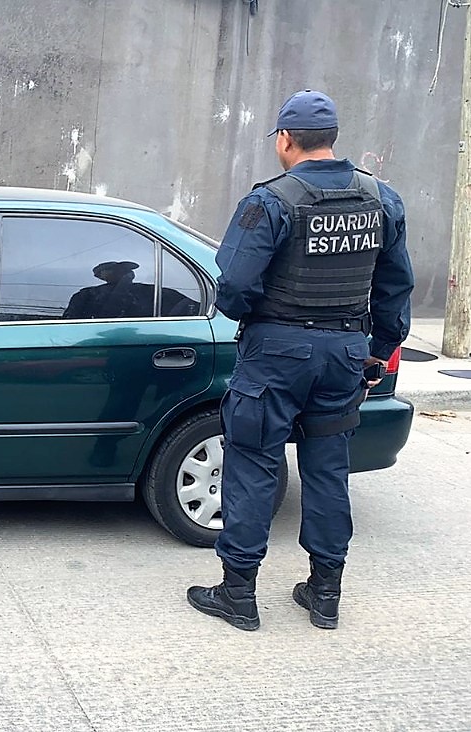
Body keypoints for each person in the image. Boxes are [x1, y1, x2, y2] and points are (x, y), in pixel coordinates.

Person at [186, 90, 413, 631]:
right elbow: (395, 286)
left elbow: (233, 285)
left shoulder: (271, 201)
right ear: (332, 138)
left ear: (285, 139)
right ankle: (325, 593)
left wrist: (259, 320)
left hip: (276, 355)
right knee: (328, 470)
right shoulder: (381, 198)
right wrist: (380, 351)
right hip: (344, 354)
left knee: (253, 464)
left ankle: (238, 594)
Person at [64, 260, 153, 319]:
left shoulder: (147, 291)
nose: (130, 273)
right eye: (122, 270)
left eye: (127, 271)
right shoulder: (88, 294)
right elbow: (70, 322)